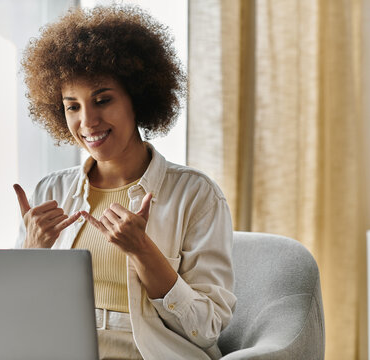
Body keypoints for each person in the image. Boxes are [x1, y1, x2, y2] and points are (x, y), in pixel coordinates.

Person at [13, 5, 236, 360]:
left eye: (103, 100)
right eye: (72, 106)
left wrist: (143, 251)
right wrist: (31, 252)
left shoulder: (195, 195)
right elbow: (12, 313)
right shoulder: (49, 192)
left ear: (139, 99)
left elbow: (207, 327)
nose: (87, 122)